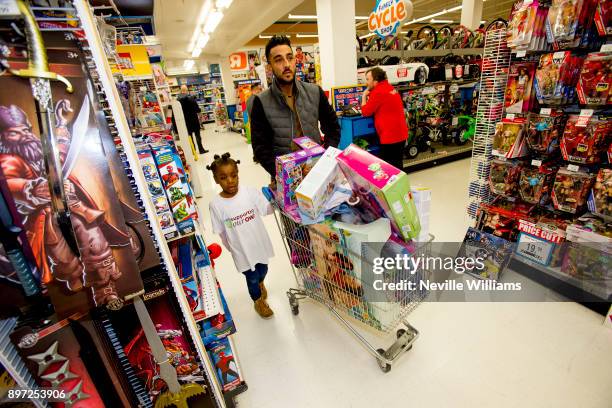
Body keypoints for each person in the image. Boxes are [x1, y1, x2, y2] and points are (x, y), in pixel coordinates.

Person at [250, 35, 340, 180]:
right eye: (279, 60)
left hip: (317, 171)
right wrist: (284, 175)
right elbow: (261, 148)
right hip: (286, 179)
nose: (286, 64)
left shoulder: (315, 92)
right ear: (269, 66)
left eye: (289, 57)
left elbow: (333, 128)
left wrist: (325, 158)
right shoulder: (261, 102)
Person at [207, 153, 275, 318]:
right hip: (241, 250)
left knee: (263, 269)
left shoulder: (249, 192)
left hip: (258, 243)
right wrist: (232, 248)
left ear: (238, 174)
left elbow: (267, 210)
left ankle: (261, 283)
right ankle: (258, 301)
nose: (230, 180)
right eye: (223, 177)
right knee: (251, 277)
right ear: (216, 180)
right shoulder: (216, 205)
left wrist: (275, 197)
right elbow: (222, 231)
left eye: (233, 175)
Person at [361, 67, 408, 169]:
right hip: (400, 134)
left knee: (387, 169)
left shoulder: (378, 92)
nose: (366, 83)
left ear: (376, 81)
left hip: (390, 137)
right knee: (397, 166)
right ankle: (399, 184)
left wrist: (364, 96)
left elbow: (365, 112)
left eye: (368, 79)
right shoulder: (390, 88)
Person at [177, 85, 208, 154]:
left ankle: (193, 151)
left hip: (185, 121)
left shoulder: (178, 101)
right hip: (194, 119)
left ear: (181, 91)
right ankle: (201, 149)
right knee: (197, 135)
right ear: (187, 90)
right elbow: (197, 110)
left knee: (189, 136)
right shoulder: (191, 99)